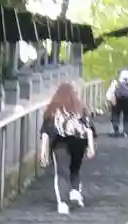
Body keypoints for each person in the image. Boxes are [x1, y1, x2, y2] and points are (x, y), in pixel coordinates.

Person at [38, 82, 96, 214]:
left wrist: (43, 153)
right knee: (75, 168)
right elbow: (89, 129)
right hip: (79, 142)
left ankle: (63, 203)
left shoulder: (53, 109)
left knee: (61, 172)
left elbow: (46, 132)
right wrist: (91, 147)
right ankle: (75, 191)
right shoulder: (80, 108)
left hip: (60, 142)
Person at [106, 68, 128, 137]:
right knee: (127, 116)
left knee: (115, 115)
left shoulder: (115, 84)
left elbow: (109, 95)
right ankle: (126, 132)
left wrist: (111, 102)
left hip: (117, 102)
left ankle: (115, 131)